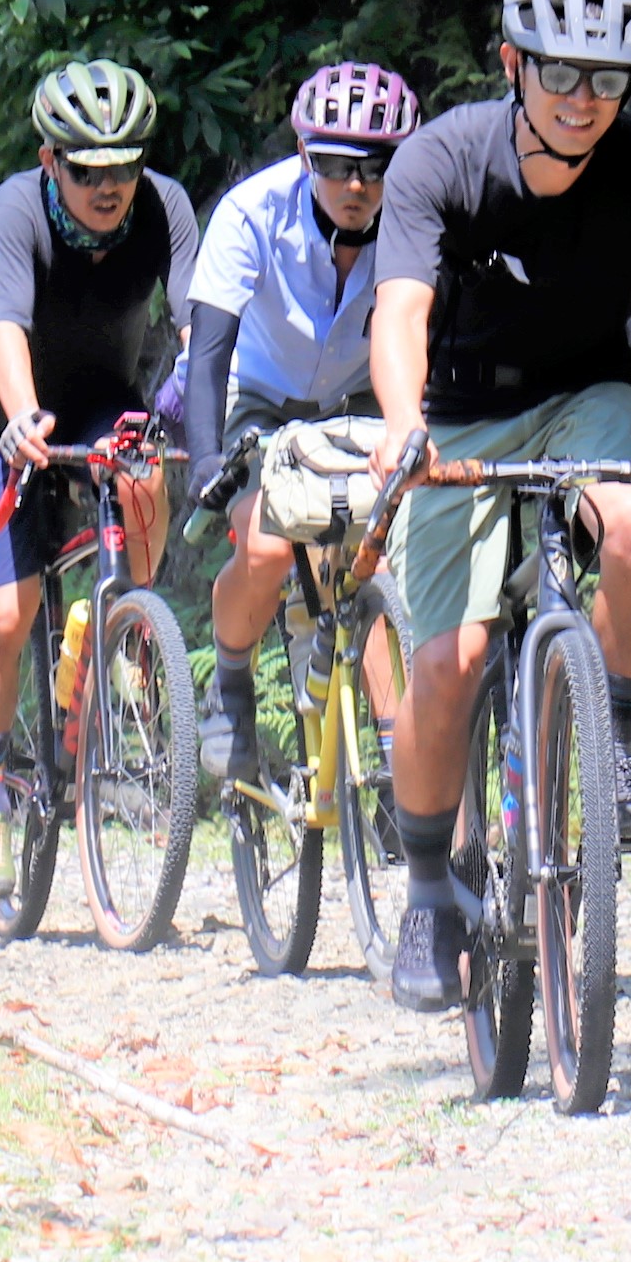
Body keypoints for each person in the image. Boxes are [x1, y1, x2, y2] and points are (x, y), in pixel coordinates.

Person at [367, 0, 631, 1014]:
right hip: (458, 414)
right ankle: (430, 889)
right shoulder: (440, 160)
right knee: (449, 660)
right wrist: (403, 428)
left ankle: (612, 743)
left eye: (606, 78)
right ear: (512, 64)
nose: (583, 99)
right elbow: (400, 312)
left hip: (591, 393)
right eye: (560, 73)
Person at [0, 58, 201, 901]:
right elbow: (6, 328)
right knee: (4, 612)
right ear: (50, 161)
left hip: (99, 402)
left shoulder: (163, 208)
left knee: (144, 470)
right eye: (87, 169)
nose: (108, 185)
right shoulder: (17, 207)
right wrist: (22, 417)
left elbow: (201, 323)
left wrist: (205, 402)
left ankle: (128, 632)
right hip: (1, 418)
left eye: (123, 166)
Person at [182, 61, 423, 785]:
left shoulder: (418, 216)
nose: (357, 186)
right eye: (336, 166)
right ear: (303, 155)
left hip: (356, 395)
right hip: (257, 393)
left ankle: (395, 758)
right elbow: (209, 350)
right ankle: (230, 687)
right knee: (265, 543)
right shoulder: (251, 212)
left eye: (376, 168)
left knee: (374, 554)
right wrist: (206, 461)